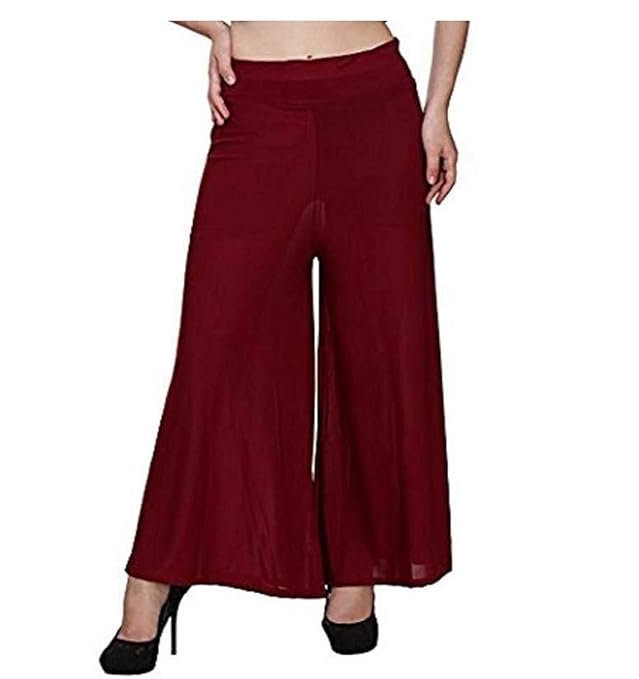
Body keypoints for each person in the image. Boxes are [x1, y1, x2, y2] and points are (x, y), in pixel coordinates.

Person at [100, 20, 469, 672]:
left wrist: (438, 106)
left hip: (375, 105)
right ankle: (155, 573)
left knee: (378, 348)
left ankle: (355, 567)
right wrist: (213, 27)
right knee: (212, 351)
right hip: (257, 108)